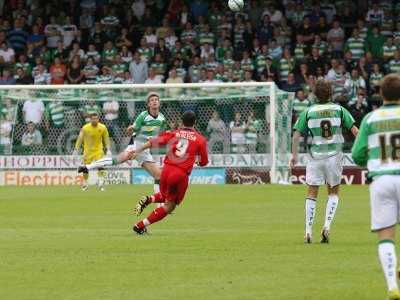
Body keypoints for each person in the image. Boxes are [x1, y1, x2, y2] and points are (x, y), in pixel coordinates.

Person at [290, 79, 358, 244]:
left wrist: (294, 155)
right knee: (333, 192)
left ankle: (307, 231)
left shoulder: (308, 111)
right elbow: (356, 131)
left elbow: (297, 134)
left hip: (315, 157)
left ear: (314, 94)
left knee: (312, 192)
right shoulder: (339, 110)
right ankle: (326, 226)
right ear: (330, 93)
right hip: (334, 156)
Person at [351, 74, 400, 300]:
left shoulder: (370, 119)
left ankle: (392, 286)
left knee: (386, 234)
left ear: (381, 93)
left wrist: (373, 161)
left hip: (380, 179)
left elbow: (357, 154)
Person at [132, 111, 209, 235]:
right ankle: (140, 226)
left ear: (181, 122)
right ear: (195, 122)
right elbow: (204, 162)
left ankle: (148, 199)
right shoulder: (200, 139)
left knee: (165, 195)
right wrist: (198, 162)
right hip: (180, 174)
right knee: (170, 206)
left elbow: (153, 141)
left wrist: (138, 150)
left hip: (166, 170)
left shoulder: (174, 133)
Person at [78, 92, 167, 195]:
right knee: (117, 160)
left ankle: (159, 206)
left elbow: (163, 133)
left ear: (159, 103)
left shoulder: (162, 118)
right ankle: (87, 167)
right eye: (152, 100)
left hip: (145, 150)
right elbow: (134, 127)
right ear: (148, 104)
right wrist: (131, 128)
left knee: (158, 177)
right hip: (136, 145)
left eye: (156, 100)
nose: (154, 101)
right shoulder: (143, 115)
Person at [74, 112, 111, 191]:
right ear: (90, 119)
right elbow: (80, 138)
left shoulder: (103, 127)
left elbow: (106, 139)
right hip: (88, 151)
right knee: (85, 168)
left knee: (101, 166)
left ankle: (101, 183)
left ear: (98, 119)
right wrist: (76, 149)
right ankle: (85, 184)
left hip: (98, 151)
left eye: (96, 118)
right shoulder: (85, 128)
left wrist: (108, 149)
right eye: (93, 119)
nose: (95, 120)